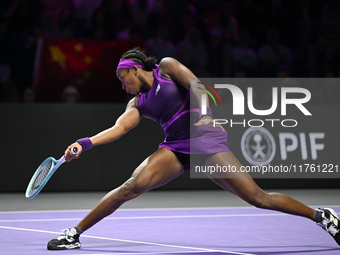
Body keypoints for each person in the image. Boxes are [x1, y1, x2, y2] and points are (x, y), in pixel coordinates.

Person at [47, 48, 340, 250]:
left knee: (258, 198)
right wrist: (84, 143)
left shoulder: (166, 67)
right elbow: (119, 128)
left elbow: (198, 86)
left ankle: (321, 216)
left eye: (122, 80)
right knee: (131, 186)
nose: (122, 87)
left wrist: (205, 114)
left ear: (134, 70)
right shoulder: (137, 104)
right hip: (175, 149)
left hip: (206, 142)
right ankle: (75, 233)